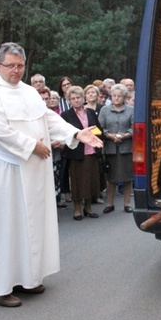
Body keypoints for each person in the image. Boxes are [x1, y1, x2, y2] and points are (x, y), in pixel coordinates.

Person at [0, 43, 102, 307]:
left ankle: (25, 278)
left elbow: (48, 120)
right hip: (3, 171)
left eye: (20, 65)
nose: (16, 71)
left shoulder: (29, 92)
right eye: (10, 65)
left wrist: (75, 133)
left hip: (29, 170)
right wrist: (32, 146)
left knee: (27, 225)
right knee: (3, 227)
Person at [61, 86, 103, 220]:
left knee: (91, 181)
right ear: (69, 100)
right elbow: (64, 133)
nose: (76, 100)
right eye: (73, 99)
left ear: (83, 98)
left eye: (78, 97)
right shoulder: (66, 115)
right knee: (77, 182)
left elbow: (98, 129)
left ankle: (88, 208)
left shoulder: (90, 112)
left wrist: (93, 135)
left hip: (91, 151)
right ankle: (77, 209)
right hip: (76, 154)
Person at [98, 83, 134, 213]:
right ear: (111, 97)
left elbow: (134, 126)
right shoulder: (104, 110)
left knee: (127, 177)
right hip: (110, 148)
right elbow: (99, 127)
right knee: (111, 178)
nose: (116, 98)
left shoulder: (131, 110)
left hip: (126, 148)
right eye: (114, 95)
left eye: (119, 96)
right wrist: (109, 135)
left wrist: (126, 135)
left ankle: (127, 204)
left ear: (124, 97)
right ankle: (110, 204)